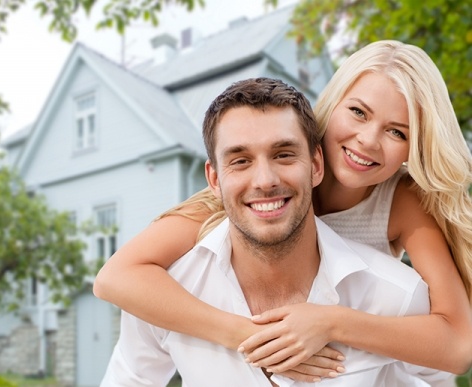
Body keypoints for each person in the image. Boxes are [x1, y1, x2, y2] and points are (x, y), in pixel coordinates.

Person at [94, 40, 472, 381]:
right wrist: (250, 336)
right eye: (358, 112)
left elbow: (456, 345)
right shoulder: (245, 196)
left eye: (397, 132)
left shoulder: (401, 202)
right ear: (333, 104)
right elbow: (115, 277)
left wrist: (331, 323)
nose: (368, 140)